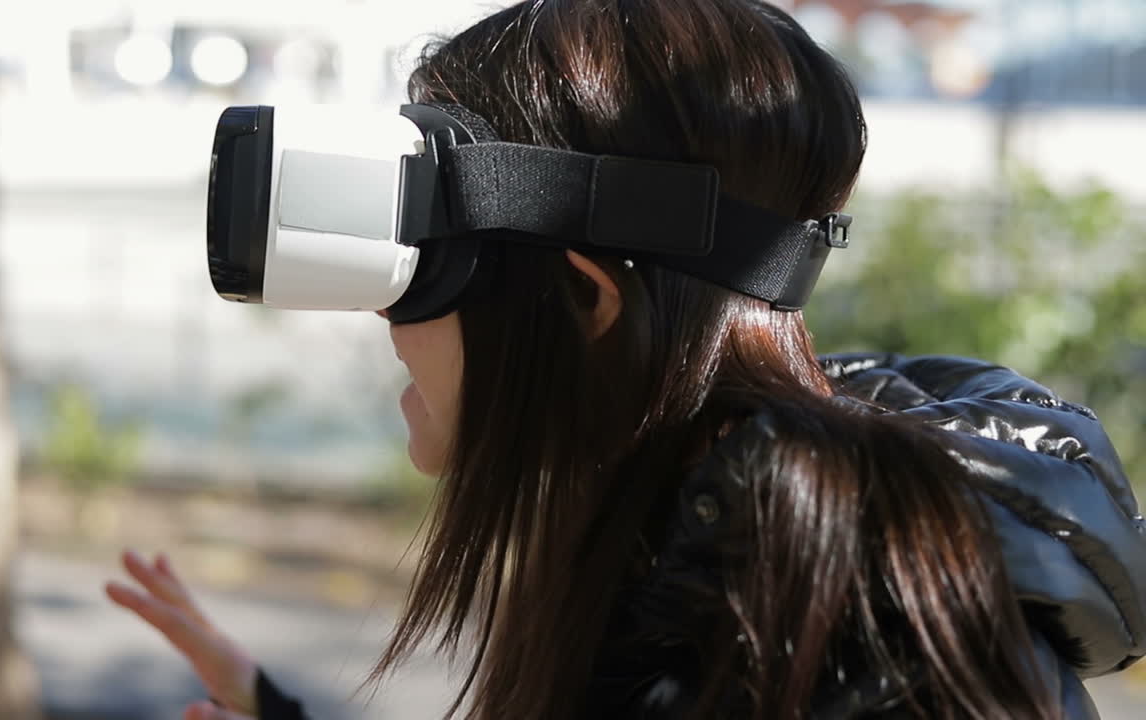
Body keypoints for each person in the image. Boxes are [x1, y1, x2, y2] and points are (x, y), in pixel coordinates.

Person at [106, 1, 1146, 718]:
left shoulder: (815, 638)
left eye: (420, 267)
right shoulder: (743, 563)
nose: (384, 317)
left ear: (581, 298)